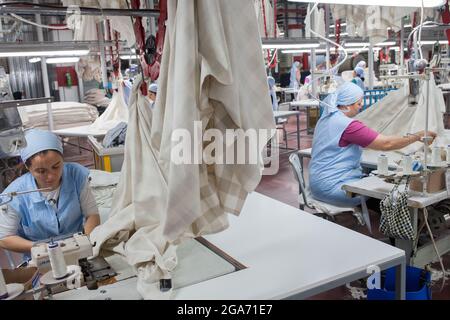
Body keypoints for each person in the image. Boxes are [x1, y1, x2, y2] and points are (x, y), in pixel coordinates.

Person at [309, 82, 436, 207]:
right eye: (359, 103)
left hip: (317, 185)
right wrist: (417, 136)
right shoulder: (348, 126)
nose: (361, 106)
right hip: (336, 189)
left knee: (372, 175)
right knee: (389, 193)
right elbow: (387, 144)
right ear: (347, 105)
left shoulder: (325, 119)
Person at [0, 129, 100, 259]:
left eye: (56, 166)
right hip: (40, 257)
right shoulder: (14, 195)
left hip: (79, 250)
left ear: (63, 159)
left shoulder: (76, 175)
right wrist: (40, 248)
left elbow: (92, 215)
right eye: (41, 171)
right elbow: (4, 238)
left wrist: (82, 243)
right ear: (28, 167)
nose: (51, 176)